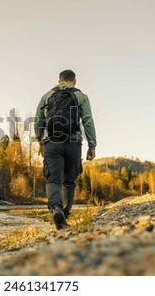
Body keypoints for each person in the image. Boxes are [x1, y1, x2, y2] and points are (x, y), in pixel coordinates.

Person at [34, 70, 97, 229]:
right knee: (69, 181)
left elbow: (38, 122)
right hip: (73, 143)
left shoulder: (47, 96)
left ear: (58, 80)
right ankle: (65, 215)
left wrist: (41, 141)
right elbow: (87, 122)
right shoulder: (80, 96)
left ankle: (56, 209)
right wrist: (92, 145)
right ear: (74, 81)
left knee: (53, 179)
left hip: (52, 143)